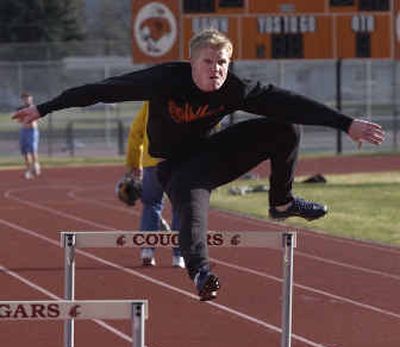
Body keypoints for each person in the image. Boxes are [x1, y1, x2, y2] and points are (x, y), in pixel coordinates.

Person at [12, 29, 385, 302]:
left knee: (284, 126)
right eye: (208, 62)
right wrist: (43, 109)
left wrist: (345, 123)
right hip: (174, 166)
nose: (216, 70)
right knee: (190, 201)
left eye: (222, 62)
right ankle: (200, 272)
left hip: (213, 153)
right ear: (192, 62)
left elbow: (289, 101)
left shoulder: (234, 88)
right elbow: (100, 90)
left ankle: (282, 202)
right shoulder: (164, 79)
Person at [124, 101, 185, 268]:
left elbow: (136, 132)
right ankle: (178, 256)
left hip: (153, 163)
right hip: (179, 163)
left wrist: (134, 163)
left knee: (151, 205)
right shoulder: (189, 98)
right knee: (181, 207)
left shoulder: (151, 101)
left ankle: (147, 251)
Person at [17, 92, 41, 179]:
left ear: (31, 98)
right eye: (24, 98)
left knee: (33, 150)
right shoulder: (20, 109)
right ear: (22, 99)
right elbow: (19, 120)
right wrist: (23, 118)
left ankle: (36, 165)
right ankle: (28, 170)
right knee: (25, 152)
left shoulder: (35, 108)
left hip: (32, 131)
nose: (26, 100)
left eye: (28, 98)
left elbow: (38, 119)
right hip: (24, 130)